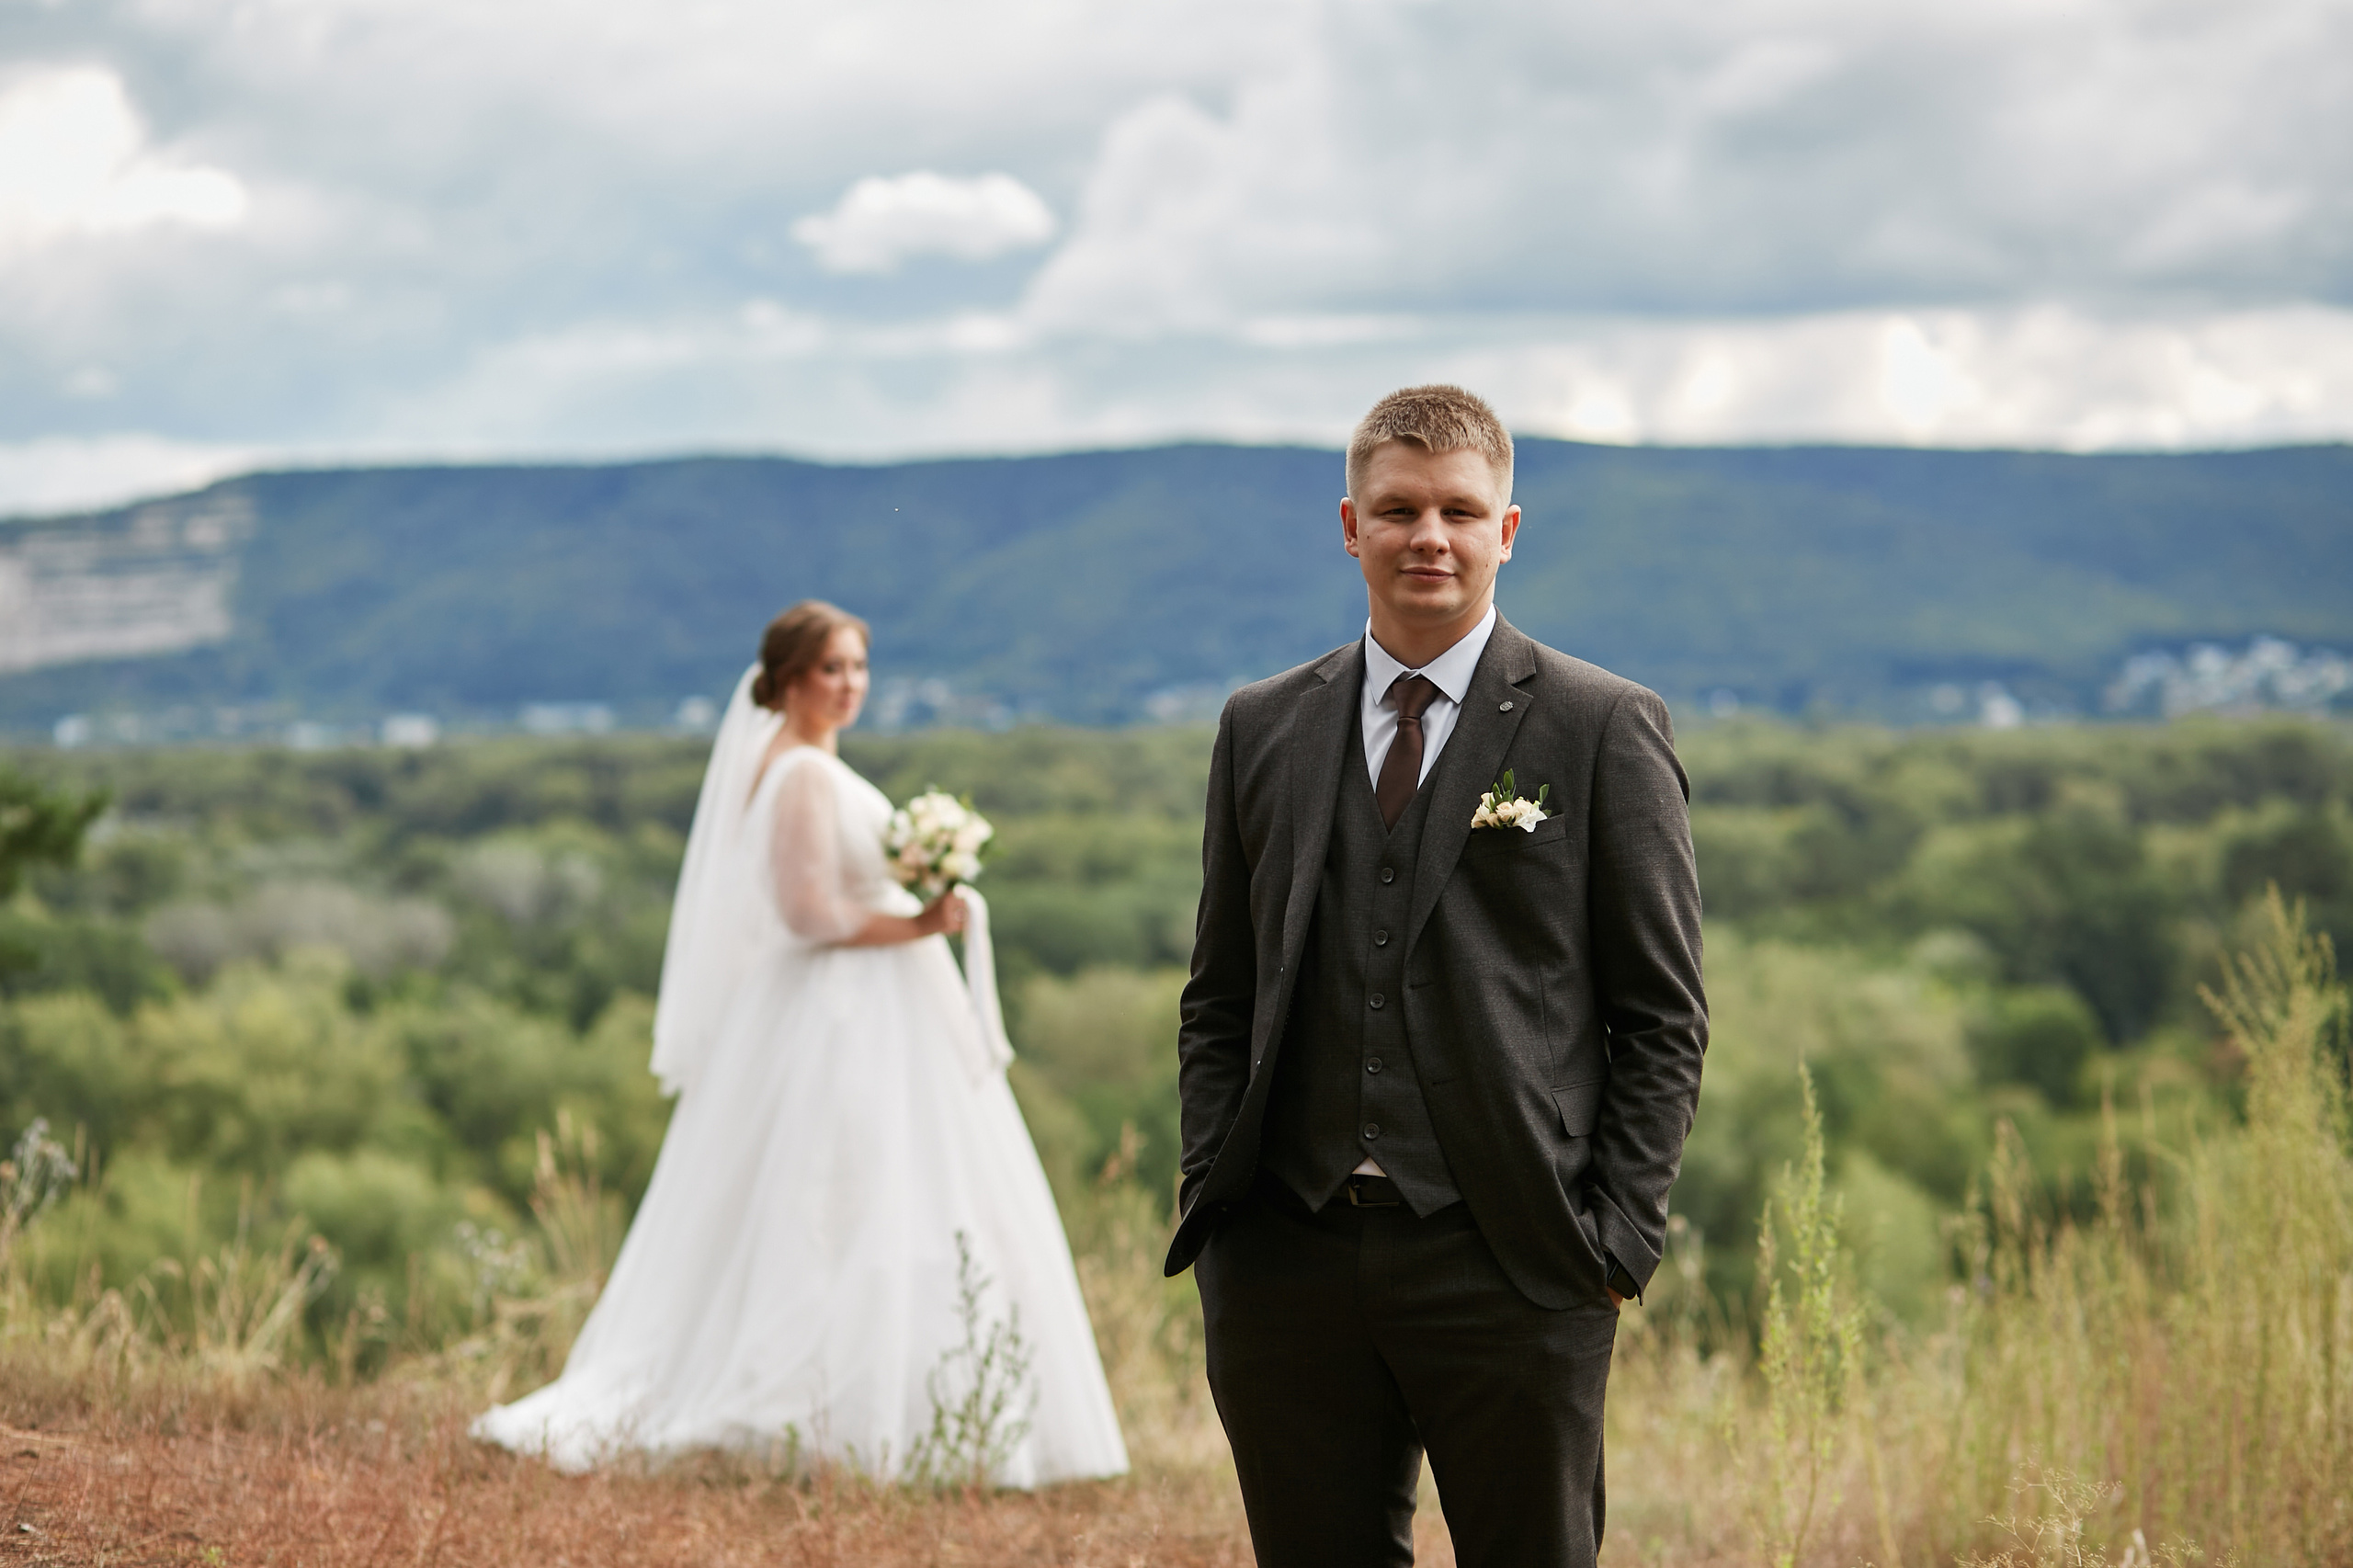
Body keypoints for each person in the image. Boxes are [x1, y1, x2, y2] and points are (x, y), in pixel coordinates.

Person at [1165, 387, 1707, 1566]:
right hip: (1286, 1257)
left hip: (1514, 1254)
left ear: (1505, 531)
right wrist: (1219, 1196)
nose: (1430, 536)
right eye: (1399, 508)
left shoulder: (1601, 724)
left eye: (1461, 511)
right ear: (1349, 523)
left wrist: (1614, 1241)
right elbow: (1219, 994)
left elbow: (1662, 1018)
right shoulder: (1261, 726)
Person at [475, 600, 1129, 1486]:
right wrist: (923, 921)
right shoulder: (800, 775)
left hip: (857, 1005)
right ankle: (832, 1413)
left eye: (859, 667)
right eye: (831, 669)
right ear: (786, 680)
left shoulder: (798, 764)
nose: (849, 685)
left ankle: (880, 1407)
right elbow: (807, 914)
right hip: (838, 1012)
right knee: (843, 1197)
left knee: (871, 1198)